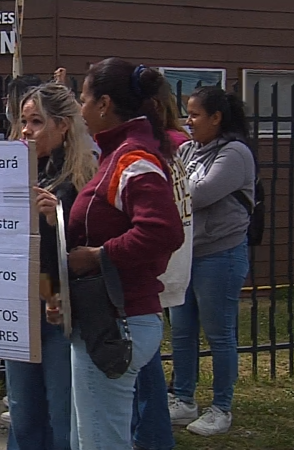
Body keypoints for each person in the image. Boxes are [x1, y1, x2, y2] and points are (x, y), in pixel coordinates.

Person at [0, 83, 97, 450]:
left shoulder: (82, 177)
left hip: (61, 306)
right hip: (18, 302)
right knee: (22, 409)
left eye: (36, 121)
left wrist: (56, 219)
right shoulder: (13, 172)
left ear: (63, 125)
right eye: (23, 121)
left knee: (62, 411)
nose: (26, 130)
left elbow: (90, 244)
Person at [66, 58, 184, 449]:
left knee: (102, 441)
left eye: (83, 98)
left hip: (118, 318)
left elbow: (163, 230)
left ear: (104, 104)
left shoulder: (133, 159)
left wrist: (99, 255)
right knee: (93, 437)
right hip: (108, 316)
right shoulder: (118, 155)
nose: (79, 108)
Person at [169, 86, 254, 436]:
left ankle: (221, 407)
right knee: (181, 332)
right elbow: (171, 185)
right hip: (187, 253)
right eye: (187, 114)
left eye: (195, 115)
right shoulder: (188, 150)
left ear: (216, 118)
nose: (188, 122)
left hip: (221, 253)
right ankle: (183, 399)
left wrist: (177, 186)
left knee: (219, 334)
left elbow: (197, 194)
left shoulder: (235, 153)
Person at [131, 80, 193, 450]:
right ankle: (148, 432)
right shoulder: (168, 148)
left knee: (143, 360)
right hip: (168, 269)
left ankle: (152, 435)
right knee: (144, 357)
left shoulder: (149, 154)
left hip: (154, 272)